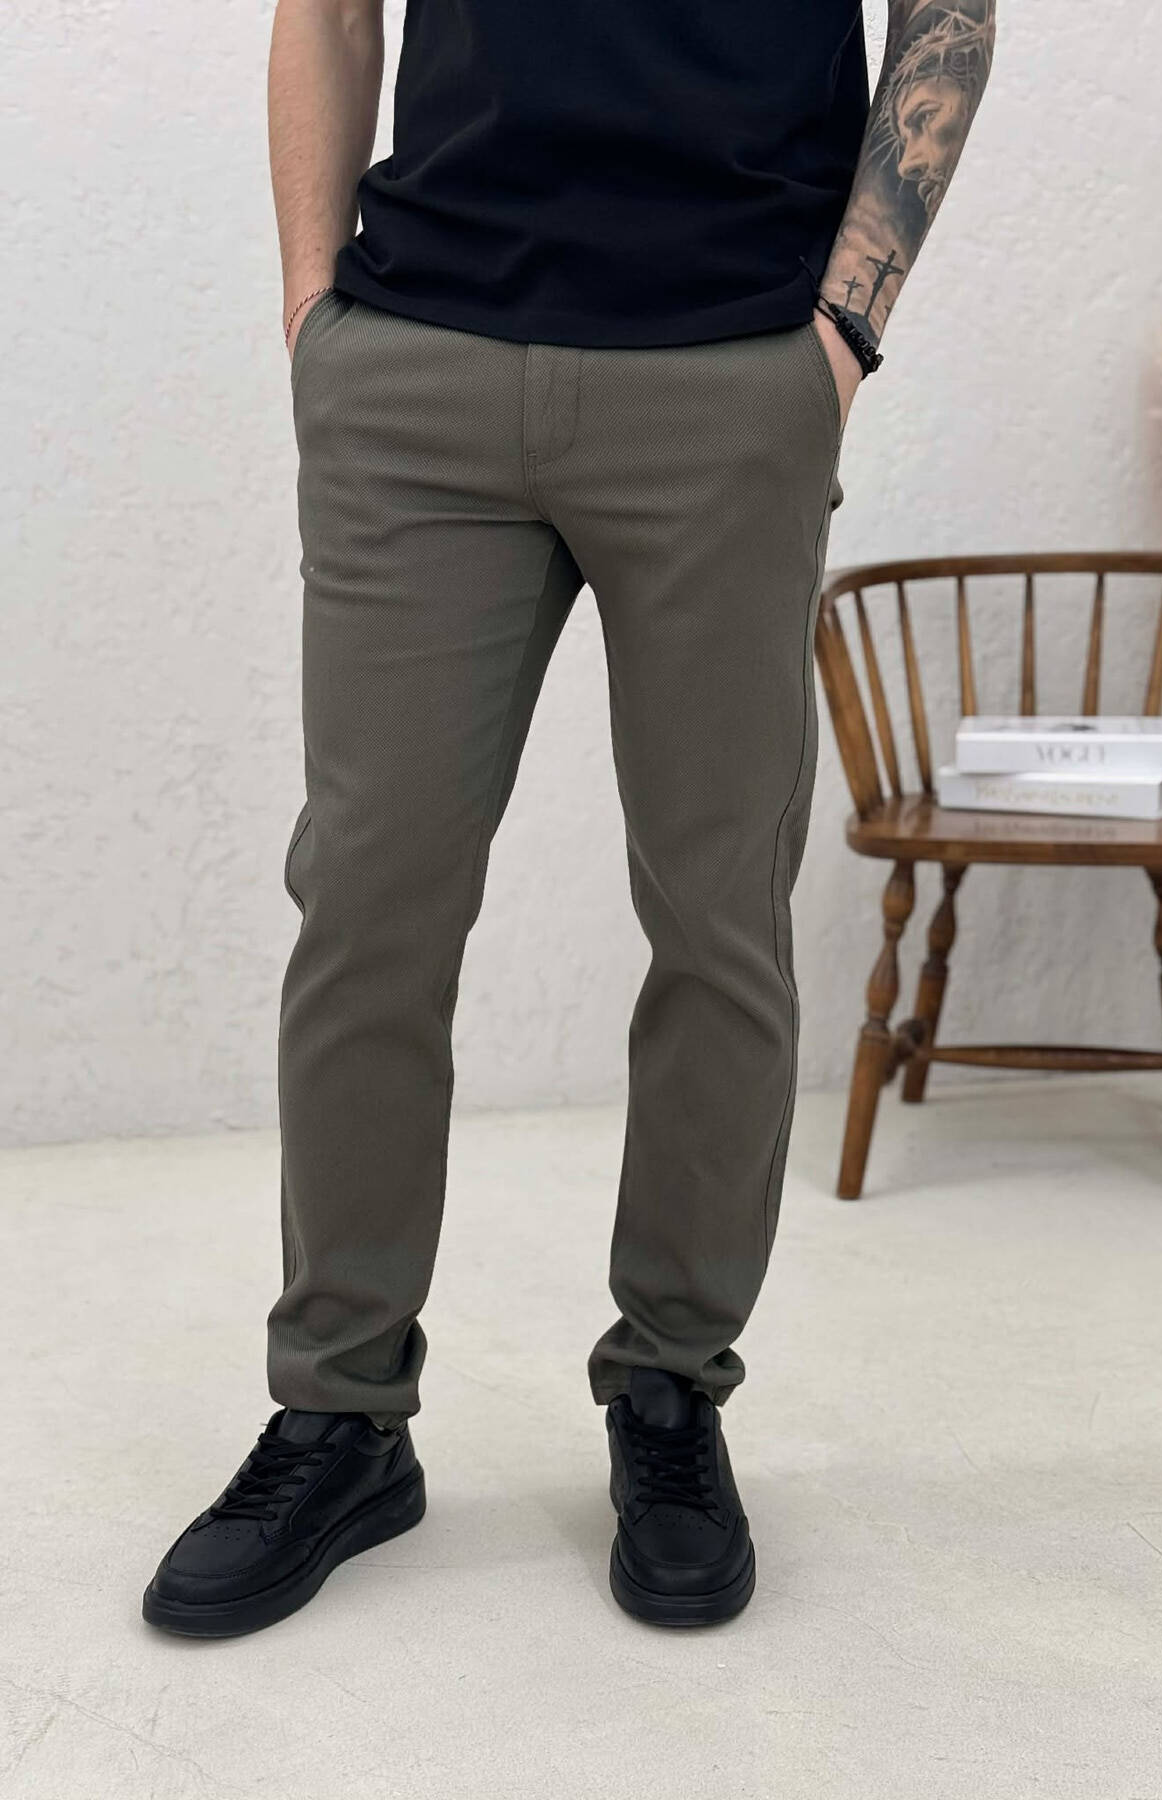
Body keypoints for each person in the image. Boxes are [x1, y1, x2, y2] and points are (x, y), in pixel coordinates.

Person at [143, 0, 996, 1638]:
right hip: (419, 367)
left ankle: (670, 1389)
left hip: (733, 369)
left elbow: (951, 12)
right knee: (368, 902)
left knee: (717, 916)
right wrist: (315, 316)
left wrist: (842, 331)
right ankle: (338, 1411)